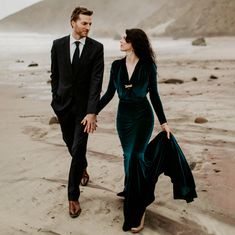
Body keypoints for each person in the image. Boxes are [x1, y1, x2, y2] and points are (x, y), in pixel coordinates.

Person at [89, 29, 197, 233]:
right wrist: (93, 112)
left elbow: (154, 95)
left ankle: (138, 208)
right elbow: (110, 94)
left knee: (137, 155)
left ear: (134, 43)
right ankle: (132, 189)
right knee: (128, 156)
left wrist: (164, 122)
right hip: (124, 119)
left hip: (143, 116)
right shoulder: (116, 65)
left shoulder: (148, 66)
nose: (120, 41)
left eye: (124, 39)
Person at [50, 7, 104, 218]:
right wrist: (55, 99)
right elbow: (55, 74)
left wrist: (92, 112)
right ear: (73, 22)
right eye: (84, 23)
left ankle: (73, 196)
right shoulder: (58, 45)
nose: (88, 27)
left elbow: (96, 81)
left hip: (84, 111)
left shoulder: (96, 48)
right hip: (62, 107)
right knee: (70, 145)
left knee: (78, 146)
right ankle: (82, 166)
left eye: (90, 24)